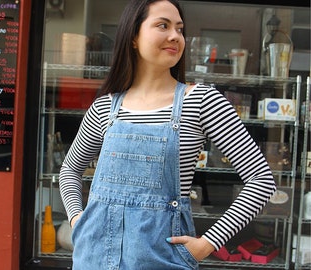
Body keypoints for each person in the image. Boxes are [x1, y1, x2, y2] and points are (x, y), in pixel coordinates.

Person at [59, 0, 276, 269]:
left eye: (180, 29)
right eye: (163, 25)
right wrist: (78, 221)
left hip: (163, 260)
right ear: (134, 37)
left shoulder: (202, 101)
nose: (175, 36)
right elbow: (69, 169)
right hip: (94, 257)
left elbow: (261, 181)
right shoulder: (105, 107)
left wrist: (206, 244)